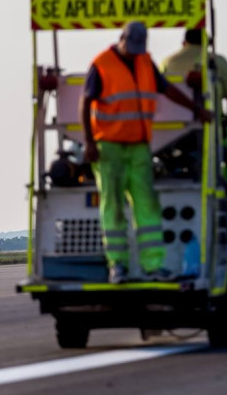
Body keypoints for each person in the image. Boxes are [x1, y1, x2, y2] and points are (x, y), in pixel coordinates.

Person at [80, 21, 213, 283]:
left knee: (147, 205)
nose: (134, 54)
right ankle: (117, 265)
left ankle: (153, 265)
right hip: (109, 147)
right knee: (113, 205)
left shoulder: (145, 62)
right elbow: (85, 102)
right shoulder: (102, 64)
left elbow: (166, 88)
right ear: (121, 39)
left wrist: (196, 109)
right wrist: (89, 142)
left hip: (139, 146)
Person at [161, 29, 227, 190]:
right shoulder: (217, 62)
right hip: (209, 131)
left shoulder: (167, 62)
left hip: (168, 137)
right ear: (207, 43)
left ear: (184, 43)